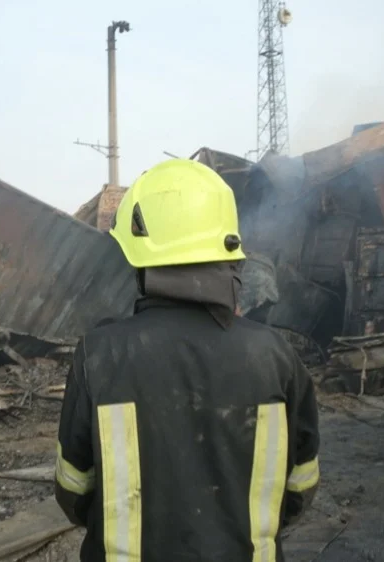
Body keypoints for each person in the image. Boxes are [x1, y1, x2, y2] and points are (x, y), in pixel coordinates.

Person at [53, 159, 321, 562]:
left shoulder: (99, 355)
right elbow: (300, 485)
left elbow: (74, 490)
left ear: (140, 258)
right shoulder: (276, 356)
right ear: (229, 253)